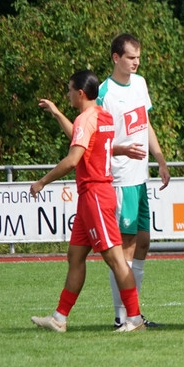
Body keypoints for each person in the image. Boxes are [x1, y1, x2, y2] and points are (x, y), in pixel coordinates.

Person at [31, 70, 145, 333]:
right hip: (91, 196)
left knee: (115, 259)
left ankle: (135, 319)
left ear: (80, 93)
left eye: (70, 90)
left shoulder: (85, 119)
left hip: (95, 195)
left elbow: (73, 159)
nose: (68, 94)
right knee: (75, 256)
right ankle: (59, 318)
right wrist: (57, 113)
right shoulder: (103, 115)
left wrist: (42, 181)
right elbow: (85, 140)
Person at [97, 33, 171, 327]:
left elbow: (145, 123)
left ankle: (134, 312)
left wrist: (160, 159)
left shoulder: (140, 84)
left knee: (142, 243)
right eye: (130, 57)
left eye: (138, 57)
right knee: (124, 247)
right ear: (116, 58)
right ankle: (123, 316)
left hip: (140, 178)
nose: (136, 62)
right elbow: (97, 139)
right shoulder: (104, 93)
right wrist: (122, 150)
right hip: (120, 179)